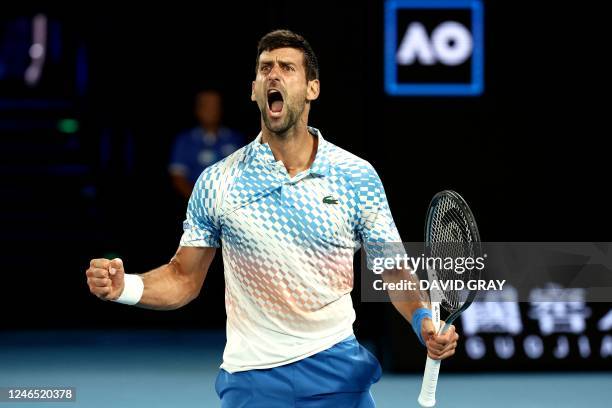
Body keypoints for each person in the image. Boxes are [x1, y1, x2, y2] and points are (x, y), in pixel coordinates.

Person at [86, 29, 459, 407]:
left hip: (338, 373)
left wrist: (421, 320)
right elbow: (184, 278)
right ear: (254, 90)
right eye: (265, 68)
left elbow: (394, 271)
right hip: (252, 380)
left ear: (312, 88)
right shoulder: (219, 181)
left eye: (286, 67)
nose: (273, 75)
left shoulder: (356, 176)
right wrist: (125, 288)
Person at [168, 89, 244, 199]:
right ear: (197, 110)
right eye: (206, 106)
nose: (211, 110)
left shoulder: (235, 138)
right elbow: (178, 178)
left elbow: (242, 174)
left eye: (215, 106)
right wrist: (201, 203)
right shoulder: (185, 140)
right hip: (194, 204)